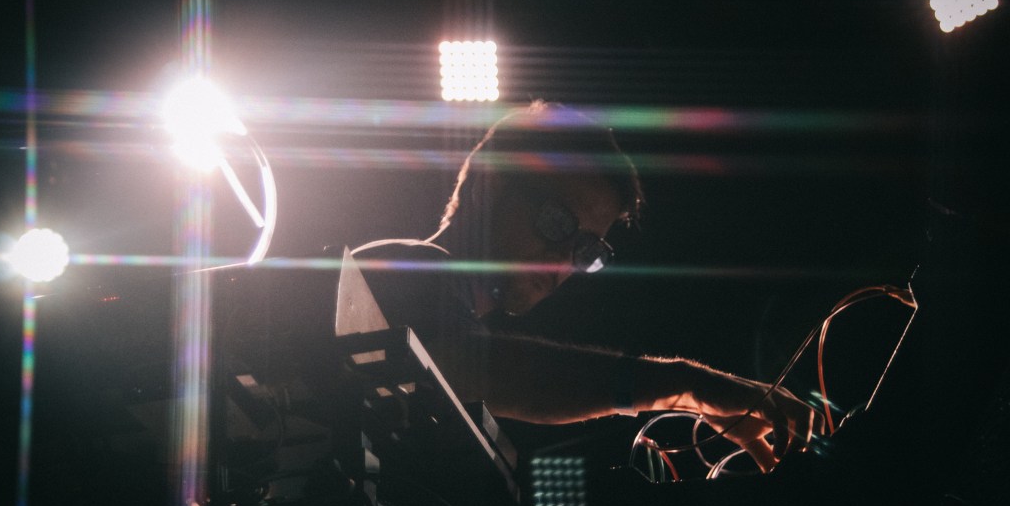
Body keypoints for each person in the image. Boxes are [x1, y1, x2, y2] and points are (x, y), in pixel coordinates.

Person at [353, 100, 824, 474]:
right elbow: (490, 370)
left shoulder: (456, 372)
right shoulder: (403, 264)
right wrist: (685, 384)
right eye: (558, 222)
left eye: (586, 250)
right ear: (490, 184)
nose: (564, 261)